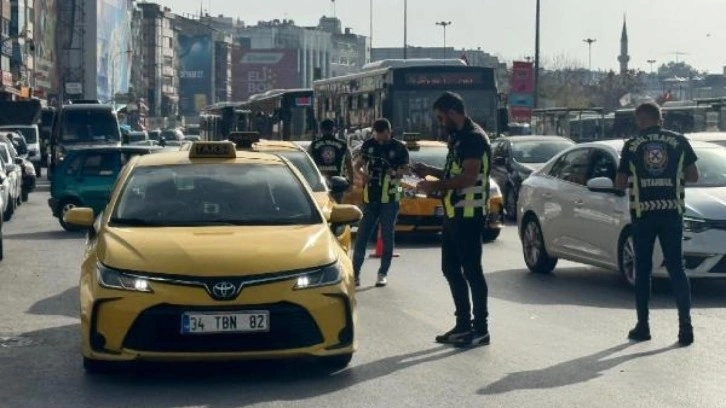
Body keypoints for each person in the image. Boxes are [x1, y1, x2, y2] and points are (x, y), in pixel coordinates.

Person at [615, 102, 698, 346]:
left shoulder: (631, 145)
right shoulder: (679, 141)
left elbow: (620, 182)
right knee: (676, 268)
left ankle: (643, 326)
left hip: (643, 215)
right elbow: (694, 176)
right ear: (660, 119)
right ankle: (685, 328)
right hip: (672, 212)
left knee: (643, 269)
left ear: (640, 121)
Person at [414, 92, 491, 348]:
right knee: (450, 269)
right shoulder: (458, 137)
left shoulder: (473, 138)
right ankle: (463, 325)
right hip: (453, 213)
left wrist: (435, 187)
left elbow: (468, 178)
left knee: (472, 272)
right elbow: (453, 172)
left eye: (440, 117)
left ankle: (480, 329)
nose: (439, 122)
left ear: (452, 111)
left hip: (469, 215)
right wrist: (430, 172)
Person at [352, 118, 409, 288]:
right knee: (362, 236)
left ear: (388, 132)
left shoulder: (399, 147)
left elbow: (406, 169)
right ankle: (355, 274)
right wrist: (363, 175)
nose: (378, 139)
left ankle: (382, 273)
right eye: (376, 135)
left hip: (390, 199)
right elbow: (358, 165)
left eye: (381, 135)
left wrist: (395, 172)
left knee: (387, 236)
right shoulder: (369, 145)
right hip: (371, 198)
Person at [308, 119, 354, 202]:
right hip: (338, 183)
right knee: (336, 207)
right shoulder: (343, 145)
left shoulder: (313, 145)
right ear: (334, 129)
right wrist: (350, 183)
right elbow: (349, 165)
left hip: (319, 183)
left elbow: (307, 164)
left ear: (321, 130)